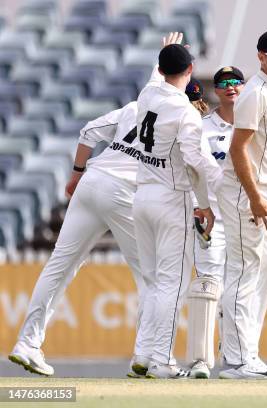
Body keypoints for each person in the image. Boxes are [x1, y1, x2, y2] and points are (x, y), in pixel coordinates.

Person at [7, 32, 187, 378]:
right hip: (126, 191)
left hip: (93, 180)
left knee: (60, 265)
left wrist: (76, 175)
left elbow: (88, 132)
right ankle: (147, 358)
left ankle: (27, 343)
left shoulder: (138, 105)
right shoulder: (181, 116)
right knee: (152, 278)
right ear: (187, 76)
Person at [131, 34, 215, 379]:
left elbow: (158, 74)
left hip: (142, 196)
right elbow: (196, 164)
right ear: (191, 70)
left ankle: (143, 353)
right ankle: (162, 361)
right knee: (172, 284)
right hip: (171, 198)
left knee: (153, 282)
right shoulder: (185, 111)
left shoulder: (147, 92)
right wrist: (208, 203)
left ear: (162, 68)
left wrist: (164, 53)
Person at [218, 29, 267, 380]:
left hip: (264, 189)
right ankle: (237, 360)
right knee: (245, 271)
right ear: (261, 57)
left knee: (266, 270)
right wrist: (254, 198)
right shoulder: (254, 94)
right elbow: (237, 150)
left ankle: (247, 351)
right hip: (241, 191)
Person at [185, 67, 244, 379]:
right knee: (208, 285)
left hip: (246, 218)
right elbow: (195, 171)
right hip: (213, 219)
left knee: (240, 289)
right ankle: (200, 360)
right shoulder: (204, 127)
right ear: (216, 91)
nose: (230, 87)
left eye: (236, 82)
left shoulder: (253, 124)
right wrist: (199, 207)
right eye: (223, 83)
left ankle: (237, 358)